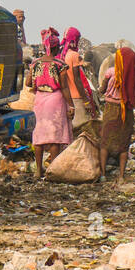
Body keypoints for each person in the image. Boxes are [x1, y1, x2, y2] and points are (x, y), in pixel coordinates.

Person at [29, 28, 72, 178]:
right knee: (55, 138)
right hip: (55, 100)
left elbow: (29, 82)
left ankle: (38, 170)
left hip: (39, 100)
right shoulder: (60, 64)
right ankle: (52, 171)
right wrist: (71, 105)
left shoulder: (35, 63)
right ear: (56, 47)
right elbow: (65, 87)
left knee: (39, 136)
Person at [98, 44, 135, 182]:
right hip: (126, 111)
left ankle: (103, 174)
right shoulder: (134, 74)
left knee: (105, 142)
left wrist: (102, 88)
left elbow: (102, 90)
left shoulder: (110, 72)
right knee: (123, 144)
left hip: (110, 110)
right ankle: (121, 176)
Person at [60, 27, 99, 131]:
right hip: (77, 98)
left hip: (66, 98)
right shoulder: (74, 55)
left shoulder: (62, 56)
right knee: (82, 130)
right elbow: (77, 79)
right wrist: (86, 101)